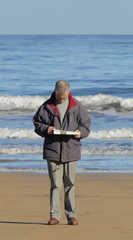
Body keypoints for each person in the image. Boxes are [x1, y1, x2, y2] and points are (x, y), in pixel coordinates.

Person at [33, 80, 91, 225]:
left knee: (69, 183)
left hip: (71, 150)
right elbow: (37, 123)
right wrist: (47, 129)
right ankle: (55, 216)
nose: (62, 99)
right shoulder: (46, 106)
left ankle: (71, 215)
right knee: (55, 185)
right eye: (60, 97)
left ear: (68, 92)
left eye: (64, 97)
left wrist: (80, 133)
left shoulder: (77, 106)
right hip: (53, 150)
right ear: (55, 92)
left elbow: (86, 124)